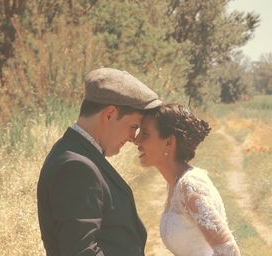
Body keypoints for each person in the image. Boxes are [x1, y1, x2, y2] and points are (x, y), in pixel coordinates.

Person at [37, 67, 162, 256]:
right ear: (109, 114)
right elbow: (81, 252)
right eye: (133, 126)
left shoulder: (78, 154)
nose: (132, 137)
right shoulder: (76, 167)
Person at [135, 103, 241, 256]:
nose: (137, 140)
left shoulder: (190, 186)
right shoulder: (174, 184)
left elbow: (229, 251)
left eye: (145, 134)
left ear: (169, 142)